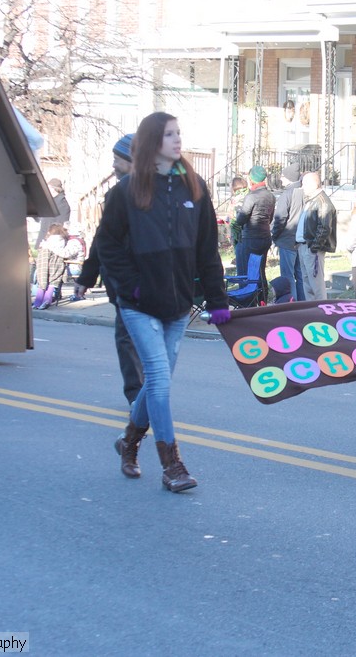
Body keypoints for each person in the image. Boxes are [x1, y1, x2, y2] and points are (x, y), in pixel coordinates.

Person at [96, 111, 229, 492]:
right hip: (138, 304)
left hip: (177, 304)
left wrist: (217, 299)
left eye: (178, 133)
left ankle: (128, 442)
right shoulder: (127, 190)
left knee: (158, 381)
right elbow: (106, 245)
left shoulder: (195, 187)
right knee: (158, 378)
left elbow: (207, 250)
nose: (177, 140)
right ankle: (172, 465)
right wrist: (132, 286)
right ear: (153, 141)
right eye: (169, 134)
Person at [74, 133, 144, 406]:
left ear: (132, 160)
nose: (113, 165)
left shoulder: (139, 192)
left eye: (117, 159)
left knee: (131, 341)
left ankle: (141, 396)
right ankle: (141, 396)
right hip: (131, 282)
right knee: (132, 340)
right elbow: (104, 238)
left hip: (137, 281)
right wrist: (87, 276)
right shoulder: (119, 191)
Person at [235, 165, 275, 299]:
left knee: (249, 272)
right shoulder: (270, 195)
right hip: (265, 237)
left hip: (251, 238)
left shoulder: (251, 196)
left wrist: (236, 219)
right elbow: (270, 217)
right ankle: (262, 299)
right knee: (260, 270)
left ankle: (249, 301)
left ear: (252, 179)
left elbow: (242, 218)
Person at [295, 172, 337, 300]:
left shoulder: (323, 202)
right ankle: (311, 311)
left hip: (312, 248)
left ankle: (320, 311)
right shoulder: (311, 200)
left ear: (313, 184)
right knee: (307, 283)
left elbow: (324, 227)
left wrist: (314, 247)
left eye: (304, 184)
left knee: (316, 285)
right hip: (304, 246)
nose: (302, 187)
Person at [271, 163, 306, 301]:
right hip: (301, 240)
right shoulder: (305, 192)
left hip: (287, 240)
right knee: (301, 275)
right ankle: (302, 304)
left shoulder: (287, 194)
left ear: (290, 178)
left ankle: (291, 304)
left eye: (283, 176)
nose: (281, 179)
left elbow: (280, 218)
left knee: (287, 276)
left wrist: (274, 236)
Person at [32, 223, 72, 310]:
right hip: (58, 264)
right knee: (52, 283)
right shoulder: (63, 241)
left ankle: (38, 302)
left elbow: (42, 255)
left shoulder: (46, 243)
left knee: (42, 281)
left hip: (45, 262)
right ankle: (47, 300)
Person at [36, 178, 71, 249]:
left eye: (48, 188)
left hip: (52, 243)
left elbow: (59, 226)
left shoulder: (62, 205)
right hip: (44, 240)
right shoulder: (51, 202)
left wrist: (48, 241)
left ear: (53, 189)